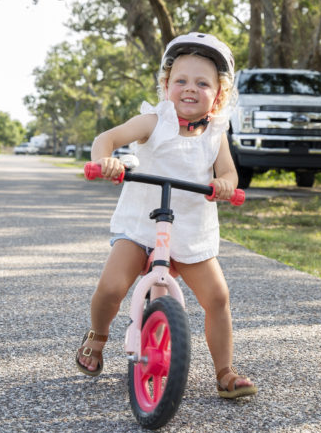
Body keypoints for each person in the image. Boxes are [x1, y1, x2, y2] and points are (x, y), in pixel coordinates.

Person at [76, 32, 257, 399]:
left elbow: (229, 173)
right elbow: (107, 139)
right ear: (166, 85)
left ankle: (225, 371)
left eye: (202, 83)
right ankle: (97, 336)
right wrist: (105, 160)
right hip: (143, 224)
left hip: (189, 228)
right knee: (112, 287)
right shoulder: (153, 121)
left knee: (218, 298)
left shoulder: (216, 133)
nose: (190, 89)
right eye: (181, 81)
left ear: (219, 94)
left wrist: (224, 184)